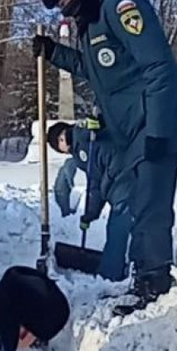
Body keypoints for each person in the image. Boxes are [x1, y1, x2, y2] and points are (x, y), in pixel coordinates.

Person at [32, 0, 177, 315]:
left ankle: (154, 282)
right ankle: (143, 277)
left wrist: (157, 130)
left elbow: (160, 67)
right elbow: (96, 70)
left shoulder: (120, 6)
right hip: (128, 131)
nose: (66, 9)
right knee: (138, 205)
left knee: (150, 205)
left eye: (66, 0)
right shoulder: (90, 19)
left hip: (155, 124)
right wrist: (53, 53)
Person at [49, 119, 133, 282]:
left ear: (61, 139)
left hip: (124, 182)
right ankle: (136, 267)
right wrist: (91, 214)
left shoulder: (83, 144)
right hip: (134, 173)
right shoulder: (86, 136)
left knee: (117, 229)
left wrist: (89, 215)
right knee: (138, 227)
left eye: (61, 149)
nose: (66, 153)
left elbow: (95, 185)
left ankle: (110, 276)